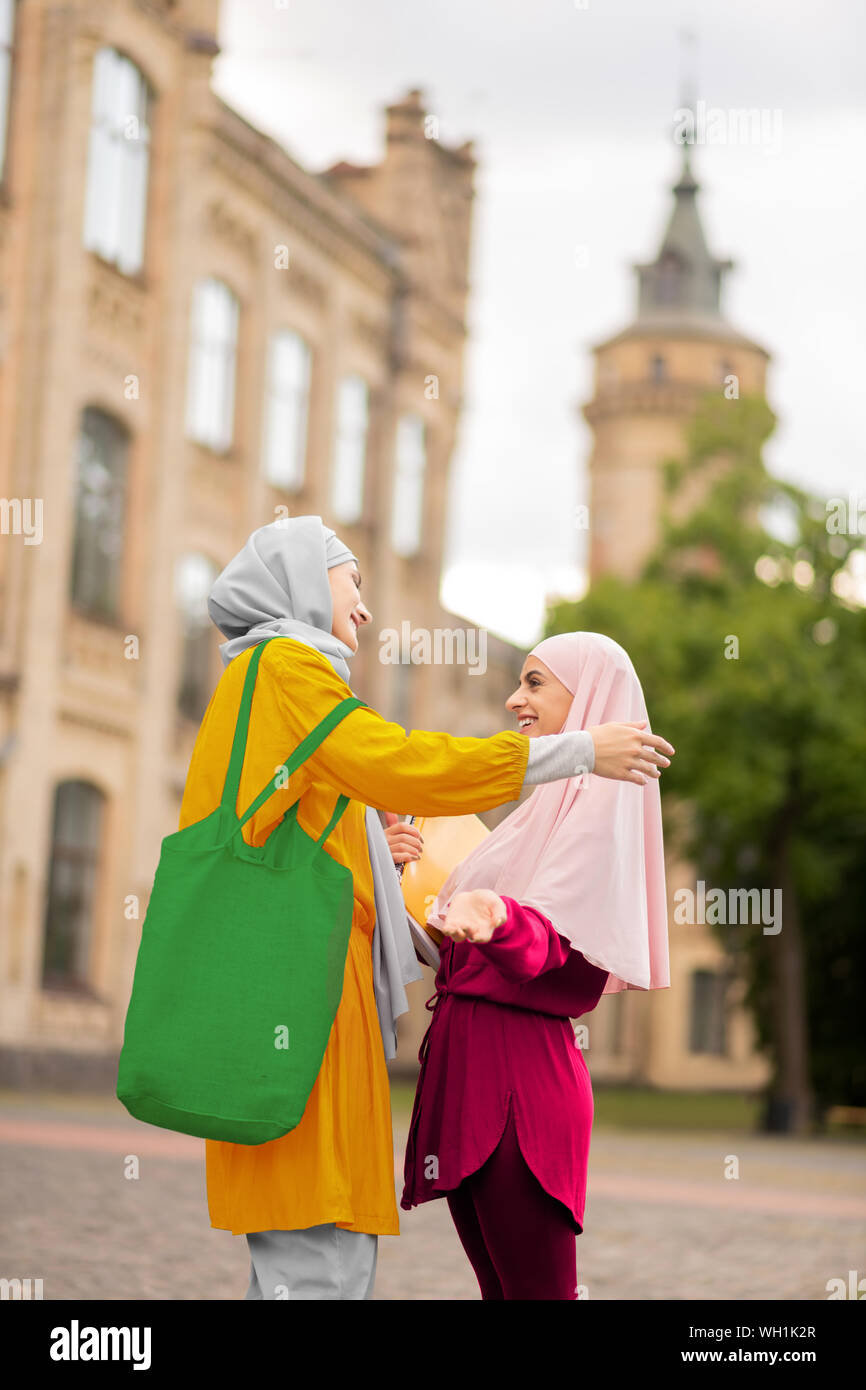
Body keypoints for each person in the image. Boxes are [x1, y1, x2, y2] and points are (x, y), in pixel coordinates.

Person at [179, 516, 675, 1300]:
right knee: (317, 1264)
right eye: (354, 582)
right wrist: (576, 751)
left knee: (323, 1256)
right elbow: (403, 762)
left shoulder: (282, 683)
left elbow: (328, 847)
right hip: (305, 1019)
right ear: (305, 579)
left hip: (333, 1026)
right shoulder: (285, 669)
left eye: (537, 685)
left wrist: (396, 868)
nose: (365, 609)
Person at [400, 631, 671, 1300]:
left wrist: (496, 917)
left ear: (587, 699)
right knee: (503, 1293)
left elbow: (549, 943)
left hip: (516, 1091)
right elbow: (460, 951)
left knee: (539, 1296)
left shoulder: (599, 817)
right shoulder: (539, 814)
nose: (513, 697)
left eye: (534, 683)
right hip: (469, 1076)